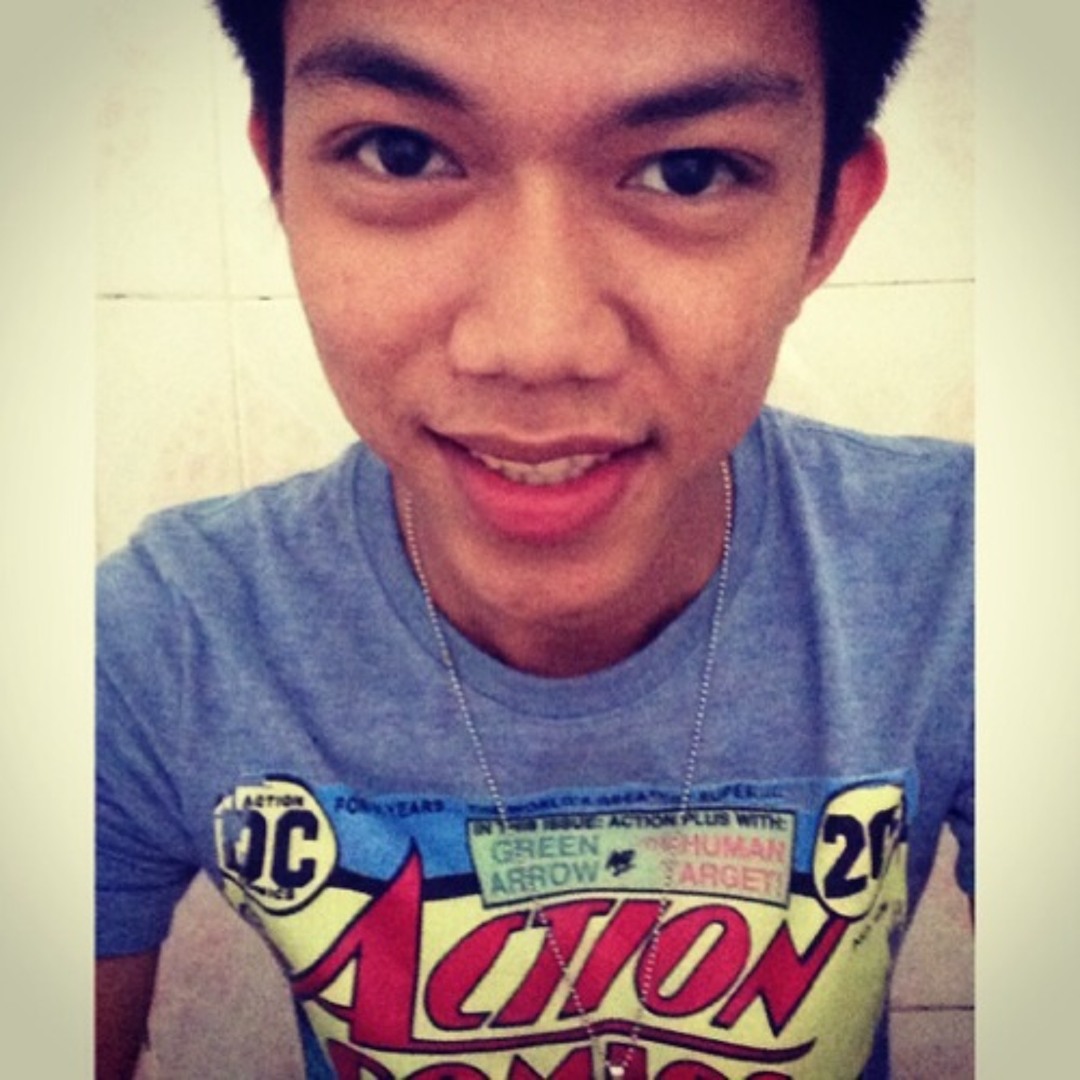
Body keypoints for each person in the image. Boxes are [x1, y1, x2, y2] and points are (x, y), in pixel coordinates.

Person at [95, 1, 972, 1077]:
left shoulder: (981, 580)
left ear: (826, 222)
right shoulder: (154, 645)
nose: (537, 345)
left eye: (689, 172)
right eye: (401, 154)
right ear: (279, 179)